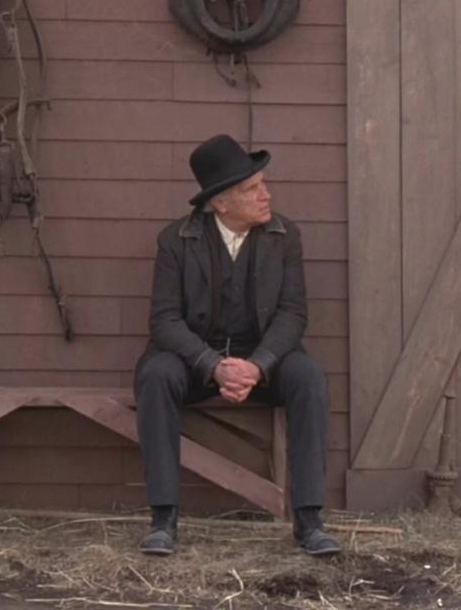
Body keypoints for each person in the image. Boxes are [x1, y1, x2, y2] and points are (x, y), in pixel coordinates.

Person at [134, 134, 340, 557]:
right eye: (253, 189)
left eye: (263, 184)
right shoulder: (175, 241)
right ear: (221, 203)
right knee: (155, 374)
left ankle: (309, 520)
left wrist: (258, 365)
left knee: (308, 376)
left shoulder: (285, 236)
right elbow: (165, 321)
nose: (267, 196)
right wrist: (213, 365)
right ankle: (163, 518)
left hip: (263, 357)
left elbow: (292, 315)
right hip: (194, 358)